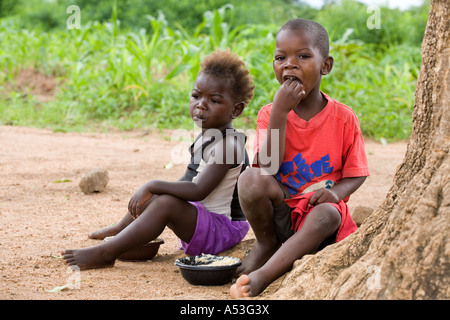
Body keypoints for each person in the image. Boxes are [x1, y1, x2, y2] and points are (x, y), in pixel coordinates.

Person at [62, 49, 255, 270]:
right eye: (196, 96)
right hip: (204, 220)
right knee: (161, 196)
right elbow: (188, 180)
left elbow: (198, 190)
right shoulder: (207, 135)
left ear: (236, 109)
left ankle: (107, 253)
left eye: (214, 100)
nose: (201, 104)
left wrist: (152, 184)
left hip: (223, 230)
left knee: (165, 200)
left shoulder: (229, 145)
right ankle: (120, 231)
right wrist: (156, 191)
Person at [230, 18, 370, 298]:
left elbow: (357, 172)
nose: (289, 64)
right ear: (273, 66)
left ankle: (262, 277)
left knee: (327, 214)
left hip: (321, 220)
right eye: (280, 57)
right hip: (282, 215)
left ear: (325, 66)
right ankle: (267, 245)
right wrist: (281, 113)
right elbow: (267, 167)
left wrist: (337, 194)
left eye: (303, 56)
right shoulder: (270, 114)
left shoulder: (344, 118)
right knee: (250, 178)